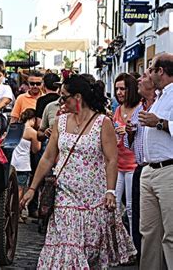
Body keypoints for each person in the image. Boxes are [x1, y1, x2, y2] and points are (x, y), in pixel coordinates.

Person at [20, 75, 136, 268]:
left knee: (88, 252)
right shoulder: (61, 122)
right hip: (65, 196)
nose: (61, 102)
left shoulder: (102, 122)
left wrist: (110, 191)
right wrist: (32, 188)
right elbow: (48, 157)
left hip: (94, 199)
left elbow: (111, 159)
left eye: (64, 97)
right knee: (65, 249)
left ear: (78, 97)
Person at [138, 54, 173, 269]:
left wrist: (159, 123)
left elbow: (162, 125)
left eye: (151, 69)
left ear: (161, 71)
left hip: (168, 169)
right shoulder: (160, 97)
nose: (149, 74)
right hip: (150, 169)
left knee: (171, 234)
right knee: (149, 233)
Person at [124, 71, 156, 261]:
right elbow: (132, 142)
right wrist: (129, 133)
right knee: (137, 217)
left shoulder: (161, 105)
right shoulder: (139, 108)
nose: (138, 80)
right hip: (140, 167)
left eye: (143, 76)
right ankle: (139, 253)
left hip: (157, 167)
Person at [113, 73, 141, 237]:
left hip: (132, 164)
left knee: (130, 207)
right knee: (114, 205)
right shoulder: (118, 109)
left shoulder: (139, 109)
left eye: (122, 88)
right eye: (117, 89)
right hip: (118, 163)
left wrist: (128, 131)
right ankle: (118, 244)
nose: (119, 92)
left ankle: (132, 243)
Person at [10, 108, 41, 223]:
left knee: (11, 188)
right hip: (23, 163)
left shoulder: (14, 128)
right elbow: (36, 149)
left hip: (12, 161)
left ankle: (12, 210)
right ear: (32, 119)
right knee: (20, 189)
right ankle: (16, 214)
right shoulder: (32, 132)